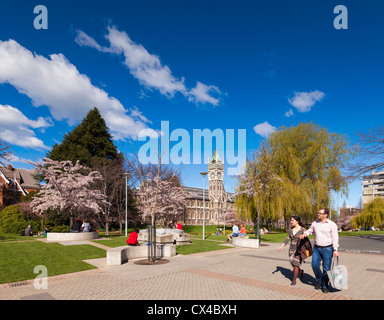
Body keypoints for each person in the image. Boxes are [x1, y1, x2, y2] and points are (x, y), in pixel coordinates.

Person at [300, 208, 339, 293]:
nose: (318, 214)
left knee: (326, 269)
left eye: (320, 213)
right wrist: (305, 234)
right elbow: (310, 231)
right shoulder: (315, 223)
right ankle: (319, 280)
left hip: (328, 249)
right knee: (314, 265)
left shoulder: (332, 224)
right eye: (318, 213)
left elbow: (335, 237)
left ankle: (324, 285)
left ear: (325, 215)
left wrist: (335, 249)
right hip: (317, 248)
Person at [279, 216, 309, 285]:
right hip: (291, 249)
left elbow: (306, 239)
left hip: (299, 249)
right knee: (293, 263)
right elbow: (287, 239)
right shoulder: (291, 230)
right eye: (291, 220)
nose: (291, 222)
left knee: (295, 264)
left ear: (297, 221)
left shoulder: (302, 230)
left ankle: (294, 280)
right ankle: (300, 271)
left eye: (292, 220)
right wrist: (281, 246)